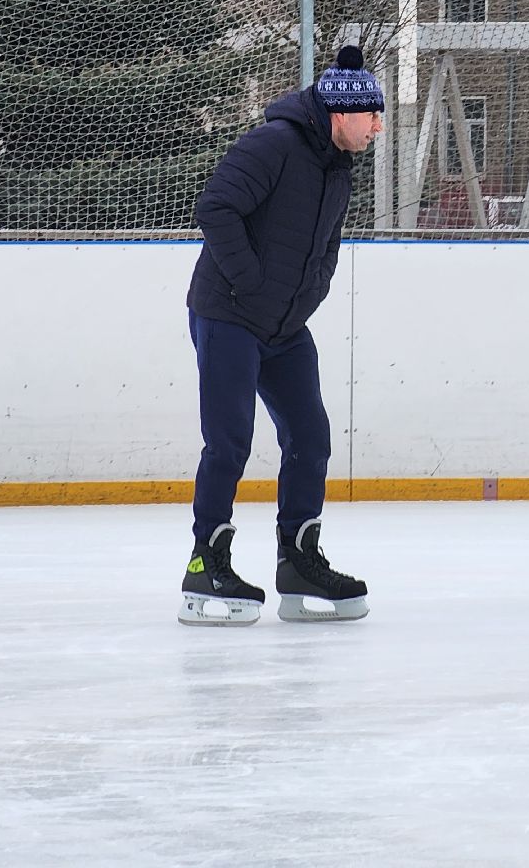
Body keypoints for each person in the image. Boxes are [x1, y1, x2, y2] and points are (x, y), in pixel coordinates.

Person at [178, 45, 383, 627]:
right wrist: (251, 283)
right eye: (372, 116)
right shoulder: (272, 144)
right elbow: (216, 208)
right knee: (229, 441)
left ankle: (298, 561)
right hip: (228, 315)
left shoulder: (338, 168)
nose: (378, 127)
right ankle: (205, 564)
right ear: (342, 114)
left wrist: (307, 295)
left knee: (310, 435)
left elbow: (327, 246)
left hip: (285, 325)